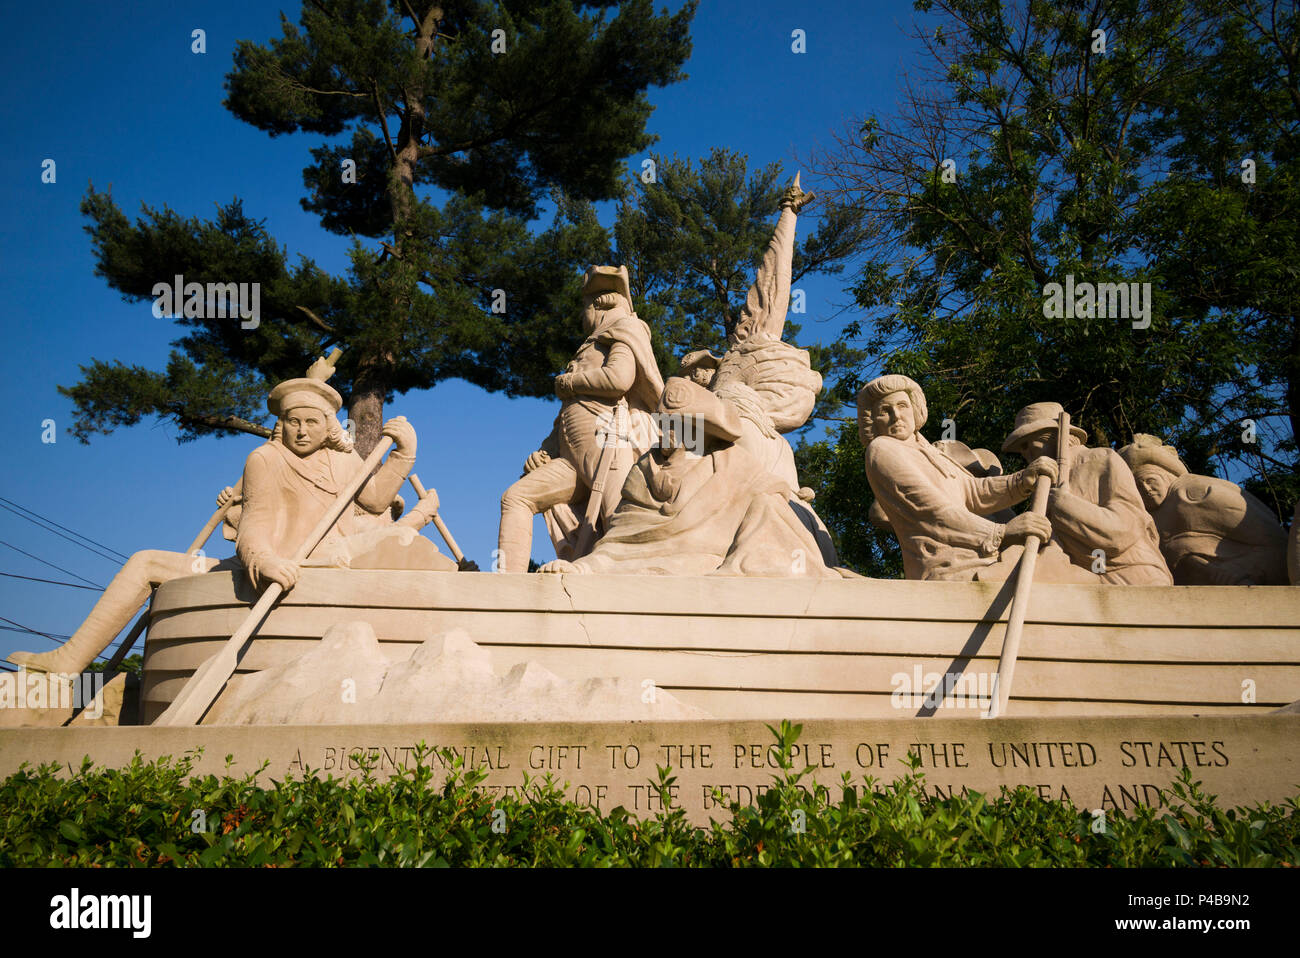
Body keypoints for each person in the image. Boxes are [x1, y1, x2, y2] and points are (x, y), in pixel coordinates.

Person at [540, 378, 839, 577]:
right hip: (639, 559)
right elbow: (621, 537)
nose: (666, 431)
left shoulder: (733, 464)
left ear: (700, 428)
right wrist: (589, 566)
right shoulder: (644, 470)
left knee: (768, 507)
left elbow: (771, 497)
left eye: (678, 424)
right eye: (663, 423)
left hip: (707, 560)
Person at [498, 266, 664, 571]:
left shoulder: (626, 330)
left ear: (599, 305)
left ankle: (626, 590)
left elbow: (619, 378)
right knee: (516, 497)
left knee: (619, 520)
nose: (581, 316)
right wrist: (547, 451)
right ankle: (508, 586)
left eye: (584, 307)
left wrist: (569, 382)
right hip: (572, 452)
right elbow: (567, 414)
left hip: (609, 440)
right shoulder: (592, 344)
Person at [860, 375, 1061, 581]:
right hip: (951, 566)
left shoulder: (930, 450)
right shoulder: (882, 449)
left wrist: (1022, 480)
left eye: (902, 406)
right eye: (885, 411)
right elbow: (928, 509)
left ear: (915, 408)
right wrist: (1001, 532)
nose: (896, 416)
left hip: (982, 558)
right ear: (872, 420)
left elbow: (972, 491)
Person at [1002, 404, 1172, 585]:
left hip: (1133, 574)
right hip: (1086, 577)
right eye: (1021, 448)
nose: (1025, 454)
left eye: (1028, 444)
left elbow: (1122, 530)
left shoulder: (1101, 459)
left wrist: (1065, 504)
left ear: (1053, 436)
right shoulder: (1045, 484)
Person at [1117, 434, 1288, 585]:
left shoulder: (1193, 493)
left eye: (1150, 480)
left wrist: (1249, 567)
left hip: (1252, 571)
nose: (1146, 489)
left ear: (1166, 476)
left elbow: (1270, 537)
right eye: (1138, 486)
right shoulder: (1143, 518)